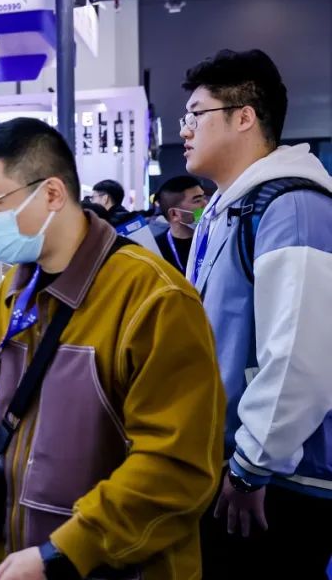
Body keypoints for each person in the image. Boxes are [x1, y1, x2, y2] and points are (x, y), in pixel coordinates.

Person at [0, 118, 224, 580]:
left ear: (51, 194)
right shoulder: (10, 295)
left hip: (119, 565)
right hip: (24, 558)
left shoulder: (154, 298)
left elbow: (176, 466)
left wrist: (64, 552)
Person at [179, 49, 332, 579]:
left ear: (244, 117)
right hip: (235, 464)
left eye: (196, 114)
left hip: (278, 481)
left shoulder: (292, 207)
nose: (185, 130)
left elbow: (299, 360)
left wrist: (251, 467)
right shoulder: (229, 208)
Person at [153, 175, 208, 274]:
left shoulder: (213, 237)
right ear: (174, 214)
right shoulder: (155, 250)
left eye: (204, 198)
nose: (206, 204)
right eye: (197, 201)